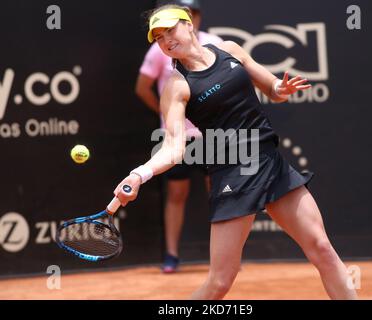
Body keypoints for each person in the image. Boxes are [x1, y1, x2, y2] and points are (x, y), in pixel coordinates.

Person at [116, 5, 358, 299]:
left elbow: (271, 88)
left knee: (321, 248)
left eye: (170, 30)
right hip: (233, 175)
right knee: (220, 282)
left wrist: (281, 88)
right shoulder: (176, 87)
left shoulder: (229, 49)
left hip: (270, 163)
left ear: (189, 24)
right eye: (159, 38)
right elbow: (173, 147)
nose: (166, 40)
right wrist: (139, 174)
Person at [135, 0, 223, 273]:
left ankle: (222, 258)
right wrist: (167, 111)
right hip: (175, 136)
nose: (190, 16)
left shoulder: (216, 42)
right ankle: (171, 255)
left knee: (219, 194)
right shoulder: (160, 48)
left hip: (211, 133)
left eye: (192, 12)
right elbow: (142, 87)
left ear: (193, 18)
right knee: (176, 192)